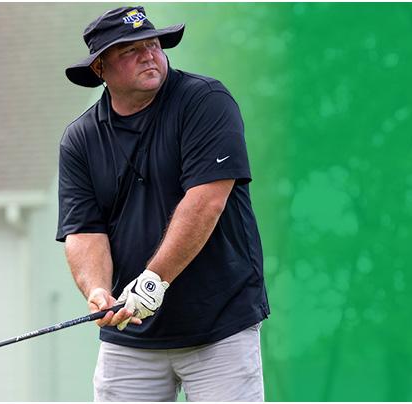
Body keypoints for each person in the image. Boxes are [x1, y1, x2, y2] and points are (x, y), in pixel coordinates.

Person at [56, 5, 270, 402]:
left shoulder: (205, 101)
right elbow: (83, 230)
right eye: (130, 50)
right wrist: (99, 290)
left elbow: (206, 200)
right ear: (100, 68)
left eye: (153, 44)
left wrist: (153, 280)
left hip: (219, 325)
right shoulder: (80, 140)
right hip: (130, 335)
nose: (149, 55)